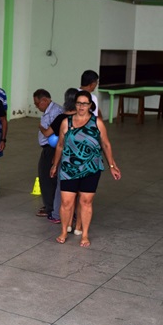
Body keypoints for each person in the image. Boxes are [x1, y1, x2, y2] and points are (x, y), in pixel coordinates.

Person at [50, 90, 121, 247]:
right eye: (79, 103)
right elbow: (60, 145)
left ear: (90, 105)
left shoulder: (97, 123)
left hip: (91, 168)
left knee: (86, 201)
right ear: (75, 104)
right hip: (69, 168)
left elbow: (106, 144)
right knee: (66, 202)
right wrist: (55, 165)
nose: (81, 106)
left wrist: (112, 165)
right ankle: (64, 231)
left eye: (85, 104)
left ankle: (85, 234)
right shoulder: (66, 122)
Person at [40, 88, 78, 225]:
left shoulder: (61, 119)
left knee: (61, 186)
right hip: (81, 158)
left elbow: (50, 136)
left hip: (65, 157)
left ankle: (56, 214)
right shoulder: (84, 118)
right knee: (77, 188)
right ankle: (74, 215)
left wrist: (40, 127)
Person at [34, 89, 65, 220]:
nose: (36, 106)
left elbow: (52, 133)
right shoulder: (49, 111)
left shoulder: (56, 112)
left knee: (48, 178)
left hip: (52, 148)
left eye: (37, 103)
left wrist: (40, 127)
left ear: (45, 100)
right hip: (48, 148)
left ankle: (51, 208)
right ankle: (50, 205)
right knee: (45, 176)